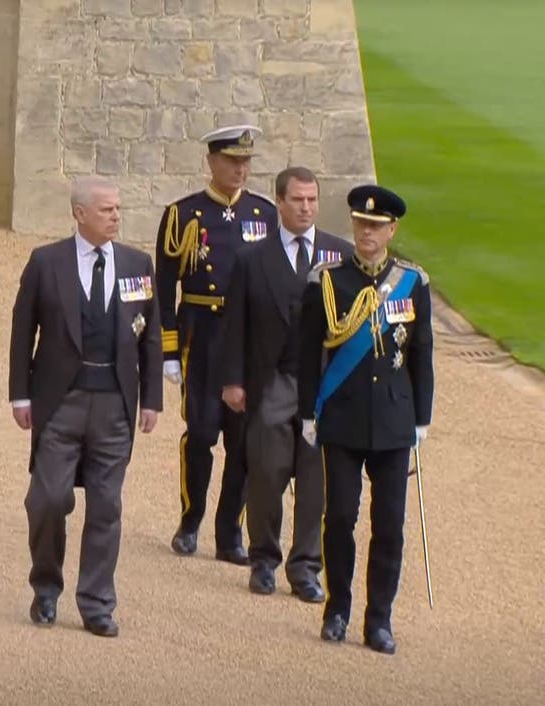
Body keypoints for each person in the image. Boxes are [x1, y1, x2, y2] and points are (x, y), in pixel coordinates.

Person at [9, 175, 163, 638]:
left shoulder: (137, 264)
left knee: (106, 505)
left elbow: (151, 336)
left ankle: (97, 602)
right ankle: (46, 587)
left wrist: (152, 399)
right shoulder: (46, 262)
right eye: (106, 209)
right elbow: (23, 330)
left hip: (115, 402)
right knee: (48, 499)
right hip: (61, 400)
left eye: (117, 209)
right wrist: (20, 394)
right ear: (79, 213)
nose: (116, 216)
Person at [299, 185, 433, 655]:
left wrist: (422, 419)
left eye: (375, 226)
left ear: (391, 230)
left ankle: (379, 619)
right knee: (339, 517)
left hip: (394, 420)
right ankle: (337, 609)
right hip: (343, 416)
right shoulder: (327, 281)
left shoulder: (413, 283)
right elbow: (307, 352)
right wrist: (307, 413)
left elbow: (421, 354)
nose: (366, 233)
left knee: (389, 526)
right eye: (361, 224)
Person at [220, 167, 351, 602]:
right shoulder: (251, 258)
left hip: (323, 387)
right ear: (279, 201)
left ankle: (306, 568)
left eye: (312, 199)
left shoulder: (339, 255)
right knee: (267, 473)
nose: (306, 207)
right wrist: (233, 381)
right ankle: (263, 559)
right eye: (298, 199)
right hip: (273, 380)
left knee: (315, 481)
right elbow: (234, 325)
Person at [154, 124, 277, 564]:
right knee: (202, 433)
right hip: (202, 334)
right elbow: (164, 288)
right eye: (231, 161)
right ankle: (190, 521)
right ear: (211, 161)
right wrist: (169, 350)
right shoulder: (184, 215)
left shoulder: (264, 215)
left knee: (242, 441)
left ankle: (230, 533)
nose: (240, 170)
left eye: (245, 162)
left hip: (246, 341)